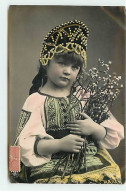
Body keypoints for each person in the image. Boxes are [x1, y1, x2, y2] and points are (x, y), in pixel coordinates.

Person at [13, 20, 124, 183]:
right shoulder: (35, 100)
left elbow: (112, 134)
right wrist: (59, 144)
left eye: (74, 67)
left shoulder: (84, 95)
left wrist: (94, 128)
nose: (67, 71)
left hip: (89, 159)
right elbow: (26, 144)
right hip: (50, 162)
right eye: (62, 63)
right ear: (46, 62)